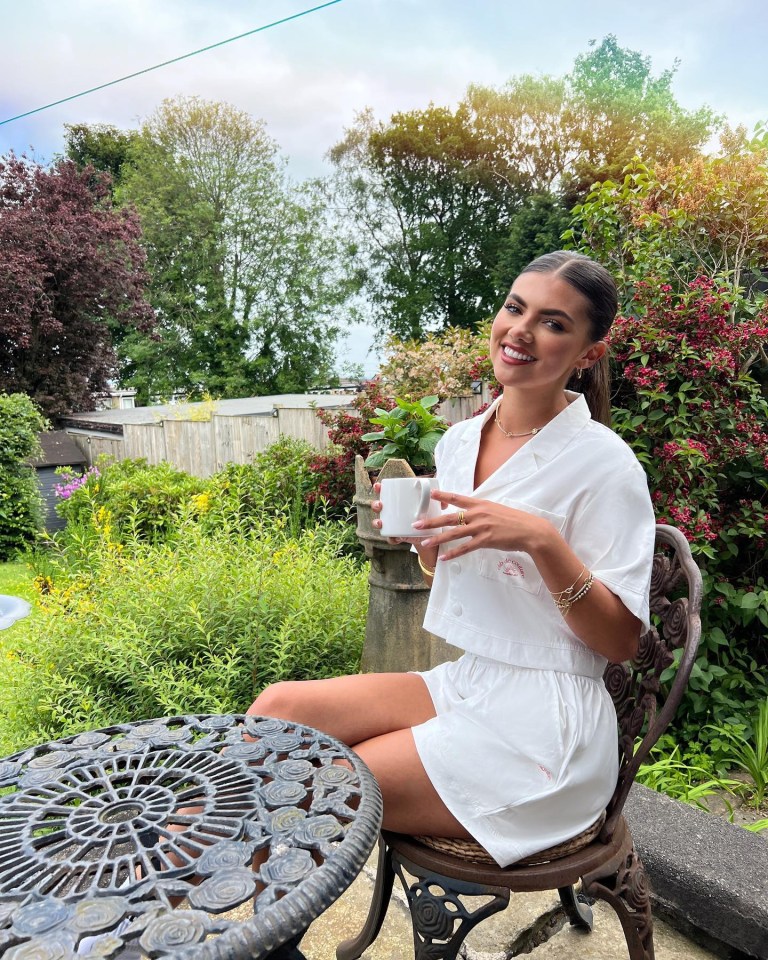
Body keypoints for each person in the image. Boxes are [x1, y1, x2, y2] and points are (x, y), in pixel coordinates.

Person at [248, 251, 656, 868]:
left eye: (553, 323)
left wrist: (541, 540)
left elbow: (622, 641)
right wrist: (431, 549)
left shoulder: (606, 465)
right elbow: (465, 577)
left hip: (548, 721)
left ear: (588, 352)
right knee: (281, 709)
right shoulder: (461, 439)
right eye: (515, 307)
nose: (520, 330)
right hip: (472, 681)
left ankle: (183, 906)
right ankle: (196, 864)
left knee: (314, 785)